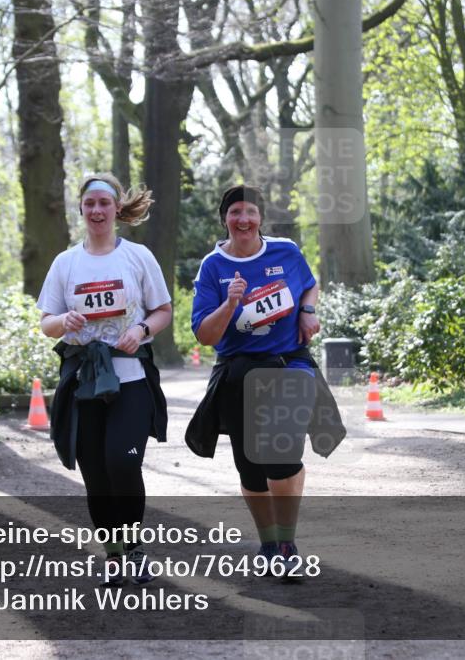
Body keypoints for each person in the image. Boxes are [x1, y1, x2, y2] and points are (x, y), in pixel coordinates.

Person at [186, 185, 346, 577]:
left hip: (290, 364)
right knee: (251, 470)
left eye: (251, 212)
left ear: (261, 218)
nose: (243, 219)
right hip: (238, 372)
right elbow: (204, 336)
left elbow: (309, 284)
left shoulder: (285, 251)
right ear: (224, 219)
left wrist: (308, 310)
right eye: (235, 212)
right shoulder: (213, 266)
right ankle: (270, 543)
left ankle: (287, 545)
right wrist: (230, 304)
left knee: (281, 452)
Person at [37, 173, 171, 587]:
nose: (97, 210)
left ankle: (135, 548)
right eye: (90, 203)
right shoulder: (65, 263)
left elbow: (163, 310)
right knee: (95, 473)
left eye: (104, 203)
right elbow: (46, 322)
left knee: (123, 462)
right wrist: (64, 320)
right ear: (81, 208)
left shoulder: (138, 256)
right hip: (85, 381)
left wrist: (142, 330)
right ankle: (113, 554)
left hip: (130, 378)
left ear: (116, 209)